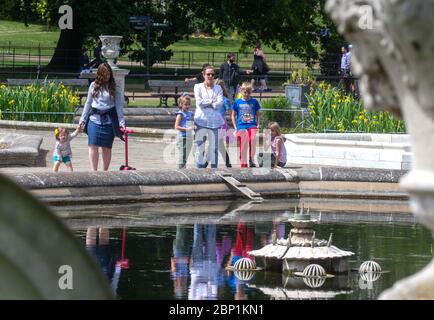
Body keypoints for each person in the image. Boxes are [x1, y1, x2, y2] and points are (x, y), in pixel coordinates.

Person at [79, 63, 126, 171]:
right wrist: (82, 119)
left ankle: (105, 172)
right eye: (105, 75)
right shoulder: (93, 85)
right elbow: (88, 103)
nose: (107, 77)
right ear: (100, 75)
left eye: (109, 74)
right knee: (92, 145)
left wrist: (121, 122)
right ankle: (94, 172)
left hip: (109, 122)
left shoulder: (115, 87)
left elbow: (119, 106)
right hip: (94, 120)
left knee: (107, 147)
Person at [193, 65, 224, 168]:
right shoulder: (198, 87)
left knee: (214, 147)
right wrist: (212, 101)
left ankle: (214, 170)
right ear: (203, 74)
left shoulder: (218, 87)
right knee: (200, 146)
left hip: (214, 122)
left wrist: (209, 103)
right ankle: (199, 169)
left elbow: (219, 103)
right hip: (200, 120)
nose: (210, 76)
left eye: (212, 74)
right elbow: (199, 102)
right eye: (208, 74)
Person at [231, 81, 261, 168]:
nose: (246, 94)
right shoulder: (237, 102)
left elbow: (258, 114)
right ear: (241, 91)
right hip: (241, 126)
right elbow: (233, 115)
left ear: (251, 92)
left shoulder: (254, 102)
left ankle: (251, 159)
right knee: (243, 144)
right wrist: (235, 127)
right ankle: (243, 162)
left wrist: (258, 124)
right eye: (245, 92)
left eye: (248, 93)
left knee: (252, 139)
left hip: (252, 125)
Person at [214, 79, 233, 168]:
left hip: (221, 124)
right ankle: (228, 163)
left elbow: (230, 112)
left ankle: (205, 162)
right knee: (218, 145)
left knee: (217, 144)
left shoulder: (225, 100)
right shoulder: (213, 99)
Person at [174, 94, 194, 169]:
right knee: (182, 155)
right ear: (181, 105)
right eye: (185, 104)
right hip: (182, 137)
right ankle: (181, 170)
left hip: (189, 136)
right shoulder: (180, 114)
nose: (187, 106)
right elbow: (176, 126)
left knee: (186, 155)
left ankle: (183, 169)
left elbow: (190, 123)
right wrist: (187, 129)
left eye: (189, 104)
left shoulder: (190, 113)